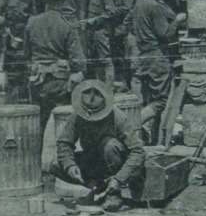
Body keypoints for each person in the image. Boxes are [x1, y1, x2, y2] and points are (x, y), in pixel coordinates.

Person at [53, 79, 145, 207]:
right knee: (56, 164)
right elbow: (64, 143)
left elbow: (138, 152)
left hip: (116, 163)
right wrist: (70, 166)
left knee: (110, 145)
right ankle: (99, 188)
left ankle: (114, 193)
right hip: (94, 162)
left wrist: (119, 179)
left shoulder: (118, 117)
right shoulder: (78, 116)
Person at [126, 0, 182, 146]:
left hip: (145, 56)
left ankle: (154, 140)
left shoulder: (141, 3)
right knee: (162, 101)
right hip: (157, 58)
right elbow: (165, 33)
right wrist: (177, 21)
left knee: (152, 99)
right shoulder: (154, 6)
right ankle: (130, 126)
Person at [23, 0, 86, 131]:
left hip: (37, 83)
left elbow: (26, 54)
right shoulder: (68, 26)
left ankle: (35, 155)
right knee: (65, 128)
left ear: (46, 0)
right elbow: (79, 63)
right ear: (63, 1)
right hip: (60, 85)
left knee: (37, 128)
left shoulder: (32, 22)